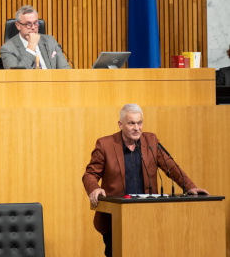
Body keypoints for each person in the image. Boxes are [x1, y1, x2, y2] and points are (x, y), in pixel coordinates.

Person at [82, 103, 209, 257]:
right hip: (115, 219)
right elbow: (90, 174)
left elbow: (171, 166)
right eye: (131, 123)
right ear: (120, 124)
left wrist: (189, 187)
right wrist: (94, 188)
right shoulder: (105, 144)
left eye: (139, 122)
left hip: (148, 216)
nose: (137, 128)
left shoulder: (151, 141)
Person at [0, 5, 71, 69]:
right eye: (28, 24)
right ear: (18, 25)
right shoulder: (7, 49)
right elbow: (15, 76)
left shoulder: (50, 40)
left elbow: (65, 70)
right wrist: (31, 48)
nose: (33, 27)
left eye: (36, 23)